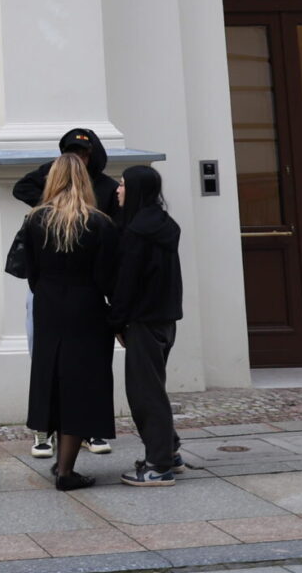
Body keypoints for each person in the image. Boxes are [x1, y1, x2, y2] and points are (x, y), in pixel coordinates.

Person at [14, 128, 119, 458]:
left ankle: (83, 433)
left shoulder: (42, 220)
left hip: (59, 298)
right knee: (58, 366)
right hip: (76, 299)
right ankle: (46, 433)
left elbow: (34, 272)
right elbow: (106, 273)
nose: (80, 158)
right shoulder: (47, 219)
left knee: (73, 369)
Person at [111, 164, 185, 487]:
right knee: (153, 387)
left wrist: (115, 321)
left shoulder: (136, 233)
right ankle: (168, 449)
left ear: (137, 190)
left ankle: (158, 465)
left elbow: (127, 284)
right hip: (166, 320)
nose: (118, 190)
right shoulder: (164, 225)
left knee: (144, 393)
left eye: (124, 184)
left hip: (143, 321)